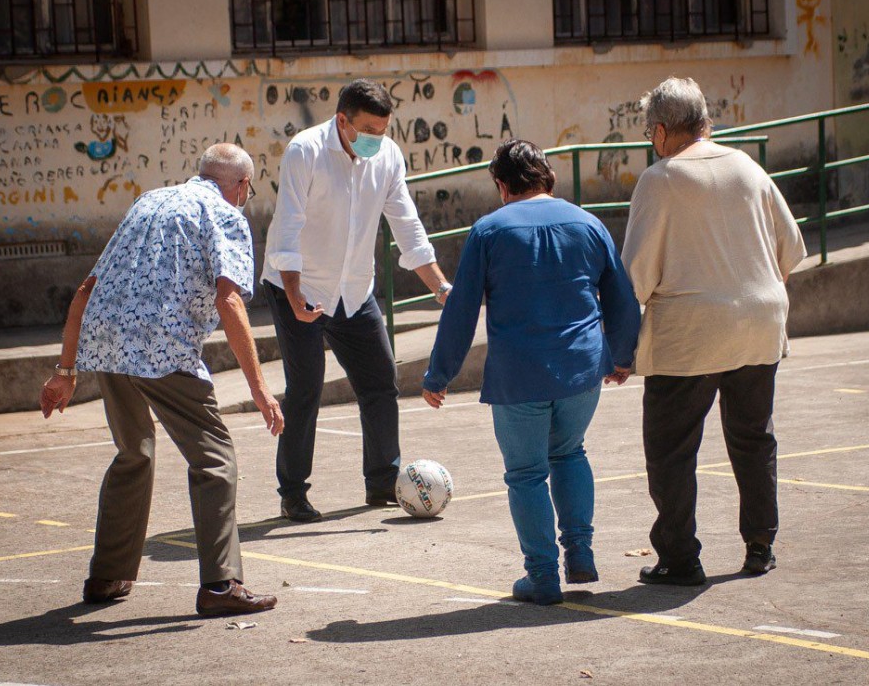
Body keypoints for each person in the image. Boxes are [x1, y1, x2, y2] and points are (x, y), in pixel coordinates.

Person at [39, 143, 281, 616]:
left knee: (135, 453)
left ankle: (107, 576)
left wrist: (65, 371)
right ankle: (219, 586)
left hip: (107, 341)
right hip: (161, 345)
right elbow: (230, 302)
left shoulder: (148, 201)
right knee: (214, 458)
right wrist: (260, 387)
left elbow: (87, 289)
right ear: (242, 186)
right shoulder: (226, 215)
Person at [422, 139, 641, 605]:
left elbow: (460, 311)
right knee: (570, 453)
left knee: (525, 474)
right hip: (582, 367)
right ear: (550, 179)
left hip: (519, 372)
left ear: (502, 186)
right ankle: (580, 552)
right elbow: (622, 295)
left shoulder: (488, 231)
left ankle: (542, 576)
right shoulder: (588, 223)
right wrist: (622, 356)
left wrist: (438, 375)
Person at [622, 77, 807, 586]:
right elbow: (789, 251)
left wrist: (618, 345)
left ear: (660, 131)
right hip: (759, 323)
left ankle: (680, 558)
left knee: (672, 448)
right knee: (753, 438)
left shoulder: (660, 179)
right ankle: (760, 544)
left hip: (690, 333)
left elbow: (636, 276)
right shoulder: (748, 167)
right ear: (706, 122)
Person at [262, 78, 452, 522]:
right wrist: (293, 295)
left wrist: (441, 287)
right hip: (298, 287)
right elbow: (287, 228)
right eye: (368, 129)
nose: (376, 139)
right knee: (306, 385)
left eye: (383, 130)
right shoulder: (304, 151)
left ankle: (382, 481)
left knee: (381, 380)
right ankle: (293, 492)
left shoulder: (387, 156)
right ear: (342, 121)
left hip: (354, 290)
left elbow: (407, 226)